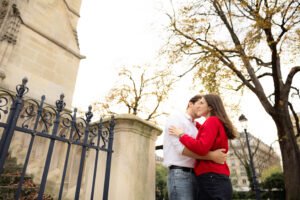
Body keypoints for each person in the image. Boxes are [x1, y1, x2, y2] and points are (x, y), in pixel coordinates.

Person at [169, 94, 237, 200]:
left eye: (202, 103)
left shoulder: (212, 121)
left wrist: (182, 135)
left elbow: (202, 147)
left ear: (210, 107)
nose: (199, 106)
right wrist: (194, 123)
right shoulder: (214, 122)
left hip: (212, 177)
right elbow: (206, 133)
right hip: (216, 177)